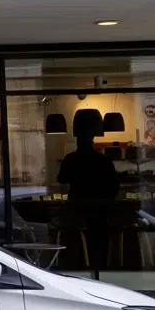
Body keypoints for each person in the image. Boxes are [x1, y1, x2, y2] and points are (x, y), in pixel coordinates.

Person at [58, 108, 120, 271]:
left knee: (77, 243)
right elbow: (114, 185)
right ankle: (99, 270)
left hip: (77, 210)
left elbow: (61, 179)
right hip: (99, 211)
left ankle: (80, 269)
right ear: (93, 139)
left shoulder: (71, 159)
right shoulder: (103, 161)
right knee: (98, 246)